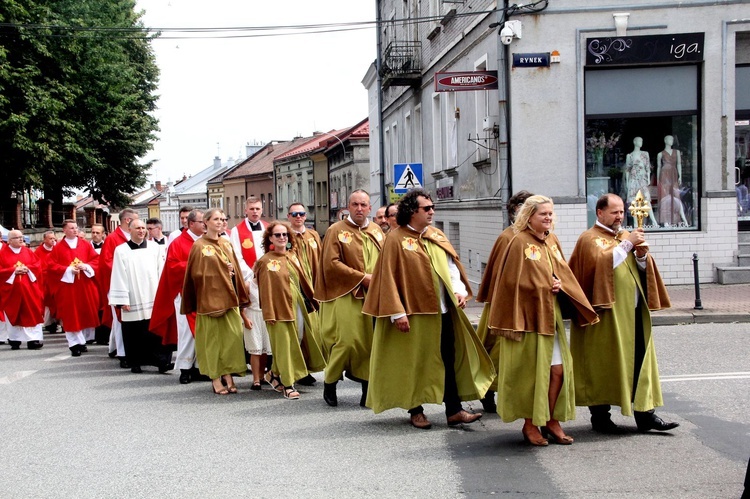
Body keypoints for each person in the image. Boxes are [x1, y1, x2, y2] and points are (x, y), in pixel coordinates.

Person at [363, 189, 495, 430]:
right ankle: (416, 409)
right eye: (427, 208)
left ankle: (454, 410)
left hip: (443, 311)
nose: (432, 211)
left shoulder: (436, 235)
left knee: (448, 358)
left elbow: (451, 266)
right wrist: (397, 312)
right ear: (413, 211)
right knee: (415, 361)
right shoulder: (396, 239)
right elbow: (387, 278)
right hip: (413, 314)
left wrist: (458, 290)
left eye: (432, 207)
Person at [486, 195, 598, 445]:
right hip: (527, 318)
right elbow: (510, 282)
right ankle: (530, 424)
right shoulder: (518, 242)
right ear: (529, 217)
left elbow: (562, 271)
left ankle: (550, 419)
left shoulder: (552, 240)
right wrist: (541, 285)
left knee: (557, 371)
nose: (548, 218)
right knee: (532, 373)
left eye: (550, 214)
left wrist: (560, 283)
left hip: (550, 316)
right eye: (542, 214)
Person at [568, 193, 678, 434]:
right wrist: (628, 245)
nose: (620, 216)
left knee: (640, 360)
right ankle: (600, 417)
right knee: (603, 363)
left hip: (633, 312)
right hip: (606, 314)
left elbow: (637, 270)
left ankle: (645, 415)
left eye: (621, 212)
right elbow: (600, 266)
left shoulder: (622, 237)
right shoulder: (589, 239)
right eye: (614, 212)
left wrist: (640, 256)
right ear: (600, 213)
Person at [315, 190, 384, 407]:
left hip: (374, 294)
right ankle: (330, 380)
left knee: (369, 342)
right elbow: (331, 263)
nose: (359, 208)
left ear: (369, 208)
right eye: (355, 204)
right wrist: (362, 277)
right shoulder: (336, 230)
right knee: (346, 341)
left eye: (363, 204)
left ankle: (366, 387)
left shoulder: (377, 230)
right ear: (348, 206)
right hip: (345, 293)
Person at [475, 190, 533, 412]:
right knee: (498, 351)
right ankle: (488, 390)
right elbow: (499, 275)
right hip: (506, 306)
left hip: (529, 305)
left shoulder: (538, 236)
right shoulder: (508, 238)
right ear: (516, 211)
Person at [182, 208, 250, 396]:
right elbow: (196, 275)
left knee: (231, 339)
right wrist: (221, 269)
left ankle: (229, 374)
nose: (220, 222)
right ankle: (215, 377)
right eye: (216, 219)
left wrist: (230, 272)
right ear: (206, 222)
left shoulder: (226, 243)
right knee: (212, 342)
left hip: (228, 298)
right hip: (209, 301)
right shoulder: (199, 245)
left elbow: (235, 268)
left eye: (223, 219)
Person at [254, 221, 325, 400]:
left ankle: (273, 373)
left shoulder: (293, 256)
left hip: (298, 306)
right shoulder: (265, 261)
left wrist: (313, 300)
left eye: (284, 234)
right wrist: (268, 313)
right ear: (270, 238)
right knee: (284, 345)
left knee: (297, 339)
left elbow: (303, 281)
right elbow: (263, 289)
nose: (281, 237)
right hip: (278, 309)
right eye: (277, 235)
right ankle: (288, 383)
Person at [109, 219, 171, 374]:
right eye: (137, 228)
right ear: (130, 230)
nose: (141, 231)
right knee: (134, 332)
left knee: (155, 330)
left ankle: (161, 362)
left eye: (143, 228)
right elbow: (118, 275)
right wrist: (122, 300)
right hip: (133, 296)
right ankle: (135, 362)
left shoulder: (155, 248)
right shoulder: (121, 250)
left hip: (152, 294)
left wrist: (162, 295)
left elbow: (161, 270)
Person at [150, 209, 205, 384]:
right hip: (185, 294)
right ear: (190, 224)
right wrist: (196, 264)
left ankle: (199, 367)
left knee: (203, 332)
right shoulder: (178, 242)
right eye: (201, 222)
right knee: (187, 332)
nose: (205, 225)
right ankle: (185, 368)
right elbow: (172, 267)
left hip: (205, 294)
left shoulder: (207, 241)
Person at [229, 196, 270, 386]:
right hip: (249, 280)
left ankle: (268, 372)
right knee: (253, 322)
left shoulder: (269, 228)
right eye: (252, 208)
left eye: (258, 209)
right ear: (245, 210)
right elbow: (236, 255)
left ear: (262, 210)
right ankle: (255, 375)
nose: (255, 212)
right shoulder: (237, 231)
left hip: (269, 279)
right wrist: (250, 275)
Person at [48, 220, 100, 357]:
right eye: (71, 228)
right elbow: (51, 266)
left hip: (83, 286)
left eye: (76, 228)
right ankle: (74, 344)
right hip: (68, 288)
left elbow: (96, 260)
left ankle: (81, 341)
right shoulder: (58, 247)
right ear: (64, 230)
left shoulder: (85, 244)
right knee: (71, 316)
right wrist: (68, 270)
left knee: (82, 314)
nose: (75, 230)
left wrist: (86, 266)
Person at [99, 209, 138, 366]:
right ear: (128, 221)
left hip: (135, 284)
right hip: (119, 284)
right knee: (120, 318)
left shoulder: (133, 236)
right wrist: (127, 272)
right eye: (136, 220)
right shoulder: (113, 239)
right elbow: (107, 262)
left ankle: (115, 347)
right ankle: (123, 353)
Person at [0, 230, 44, 350]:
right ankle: (15, 339)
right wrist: (13, 271)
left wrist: (27, 269)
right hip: (12, 292)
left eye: (21, 237)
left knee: (32, 312)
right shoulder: (2, 254)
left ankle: (33, 339)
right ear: (9, 241)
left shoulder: (28, 251)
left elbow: (37, 265)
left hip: (30, 290)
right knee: (15, 313)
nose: (21, 239)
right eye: (17, 238)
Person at [624, 137, 658, 226]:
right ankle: (636, 223)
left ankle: (654, 222)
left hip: (642, 179)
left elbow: (648, 167)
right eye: (639, 141)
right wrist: (627, 182)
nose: (641, 142)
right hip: (633, 179)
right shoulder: (630, 156)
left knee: (646, 200)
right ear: (634, 142)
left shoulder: (645, 154)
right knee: (633, 201)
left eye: (642, 141)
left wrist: (648, 178)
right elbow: (627, 170)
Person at [656, 135, 689, 226]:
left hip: (673, 173)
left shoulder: (677, 152)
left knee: (676, 196)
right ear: (665, 140)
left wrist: (680, 176)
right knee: (665, 197)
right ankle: (665, 221)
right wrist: (659, 179)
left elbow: (679, 164)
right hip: (664, 174)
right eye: (669, 139)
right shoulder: (660, 154)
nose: (671, 141)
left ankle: (678, 220)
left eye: (672, 139)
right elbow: (658, 166)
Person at [34, 230, 59, 335]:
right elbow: (36, 267)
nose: (53, 241)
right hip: (44, 282)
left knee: (58, 302)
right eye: (50, 239)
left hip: (56, 280)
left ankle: (60, 322)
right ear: (44, 239)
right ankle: (49, 323)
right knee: (47, 303)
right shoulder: (38, 252)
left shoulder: (57, 250)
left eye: (54, 239)